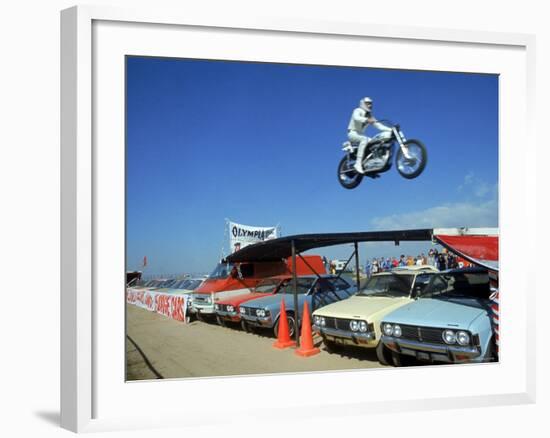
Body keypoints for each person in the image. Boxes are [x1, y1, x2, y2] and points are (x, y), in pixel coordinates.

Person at [347, 97, 393, 174]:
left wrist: (391, 129)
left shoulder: (370, 116)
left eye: (371, 104)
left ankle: (372, 164)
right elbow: (356, 118)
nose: (370, 105)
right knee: (364, 140)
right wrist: (366, 120)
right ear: (363, 103)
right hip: (352, 133)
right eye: (368, 103)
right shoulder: (357, 110)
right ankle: (357, 164)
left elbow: (379, 126)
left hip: (360, 135)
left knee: (374, 143)